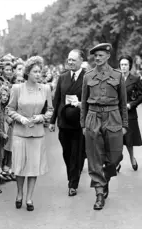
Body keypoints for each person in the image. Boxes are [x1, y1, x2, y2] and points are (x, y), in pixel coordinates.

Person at [80, 43, 127, 210]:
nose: (97, 58)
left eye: (100, 55)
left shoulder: (118, 75)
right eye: (95, 56)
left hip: (113, 116)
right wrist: (83, 124)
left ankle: (105, 177)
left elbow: (123, 102)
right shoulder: (88, 76)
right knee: (94, 156)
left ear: (108, 56)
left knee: (115, 156)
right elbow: (84, 102)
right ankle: (99, 193)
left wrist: (125, 124)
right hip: (93, 116)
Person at [7, 56, 53, 211]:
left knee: (34, 167)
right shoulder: (17, 88)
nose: (38, 74)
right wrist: (20, 118)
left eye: (40, 71)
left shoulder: (45, 89)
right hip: (20, 132)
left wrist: (41, 117)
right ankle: (19, 193)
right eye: (35, 71)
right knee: (20, 166)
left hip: (37, 133)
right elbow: (10, 109)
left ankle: (29, 198)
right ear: (28, 72)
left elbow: (50, 111)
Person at [49, 49, 86, 196]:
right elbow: (57, 99)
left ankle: (73, 183)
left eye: (73, 60)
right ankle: (72, 175)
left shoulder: (86, 78)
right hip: (63, 122)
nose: (70, 62)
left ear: (81, 61)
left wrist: (81, 104)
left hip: (78, 123)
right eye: (69, 60)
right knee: (66, 152)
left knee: (76, 154)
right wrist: (52, 121)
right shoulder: (63, 77)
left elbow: (90, 99)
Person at [116, 55, 142, 172]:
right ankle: (117, 161)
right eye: (122, 64)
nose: (123, 67)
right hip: (116, 113)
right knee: (117, 138)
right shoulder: (115, 79)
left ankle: (132, 158)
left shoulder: (135, 79)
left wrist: (131, 104)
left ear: (130, 66)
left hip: (129, 113)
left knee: (129, 138)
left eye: (126, 64)